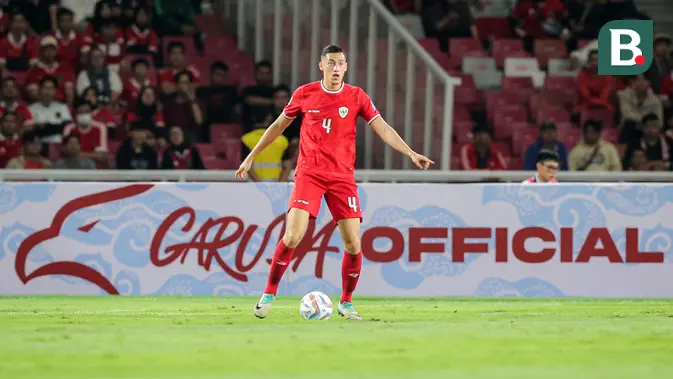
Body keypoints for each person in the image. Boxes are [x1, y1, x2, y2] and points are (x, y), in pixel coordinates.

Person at [235, 44, 433, 321]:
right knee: (293, 235)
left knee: (353, 243)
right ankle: (269, 293)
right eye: (331, 63)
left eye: (340, 63)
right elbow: (279, 126)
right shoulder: (305, 94)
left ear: (346, 67)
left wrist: (410, 152)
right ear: (321, 66)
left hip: (342, 178)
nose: (336, 68)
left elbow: (383, 128)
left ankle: (346, 303)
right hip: (310, 174)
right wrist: (251, 157)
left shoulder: (356, 97)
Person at [240, 110, 289, 181]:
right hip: (276, 184)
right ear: (268, 119)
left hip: (254, 184)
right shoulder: (282, 139)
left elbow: (245, 164)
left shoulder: (246, 139)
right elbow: (287, 165)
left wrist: (260, 184)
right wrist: (280, 184)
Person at [26, 36, 76, 105]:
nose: (50, 52)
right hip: (41, 107)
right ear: (41, 51)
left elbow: (69, 93)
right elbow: (33, 94)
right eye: (47, 49)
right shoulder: (34, 71)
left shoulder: (64, 69)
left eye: (52, 49)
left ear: (56, 51)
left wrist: (66, 109)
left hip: (61, 105)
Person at [618, 75, 664, 143]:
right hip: (629, 129)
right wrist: (646, 123)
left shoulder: (655, 100)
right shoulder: (623, 95)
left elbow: (660, 122)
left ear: (649, 82)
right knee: (630, 124)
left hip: (649, 131)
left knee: (653, 130)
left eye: (644, 79)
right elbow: (627, 114)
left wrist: (649, 126)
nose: (641, 82)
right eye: (638, 80)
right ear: (632, 82)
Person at [29, 76, 73, 143]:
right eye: (45, 88)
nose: (47, 91)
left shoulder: (62, 107)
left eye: (51, 88)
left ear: (55, 91)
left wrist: (45, 127)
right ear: (40, 89)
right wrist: (58, 127)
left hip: (60, 145)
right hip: (39, 146)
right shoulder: (31, 108)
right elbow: (32, 130)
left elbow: (68, 127)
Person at [162, 70, 203, 142]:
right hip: (172, 135)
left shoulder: (197, 102)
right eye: (182, 83)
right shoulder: (168, 103)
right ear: (176, 85)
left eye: (187, 83)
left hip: (189, 136)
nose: (185, 86)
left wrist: (192, 100)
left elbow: (199, 121)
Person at [197, 61, 239, 126]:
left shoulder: (231, 91)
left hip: (227, 125)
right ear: (211, 74)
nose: (220, 78)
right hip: (206, 126)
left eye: (223, 75)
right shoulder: (202, 91)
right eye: (217, 74)